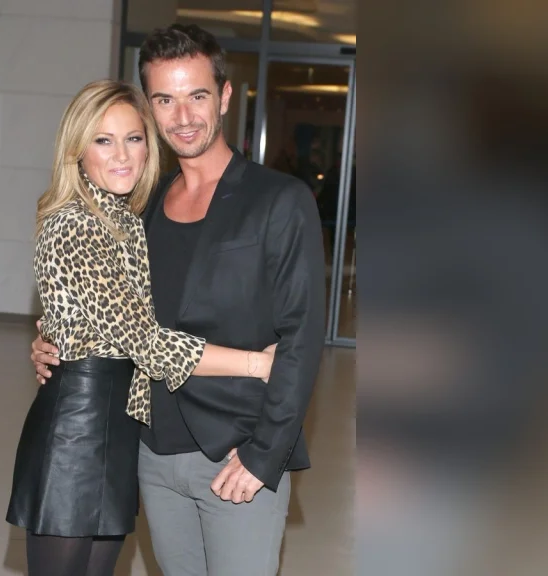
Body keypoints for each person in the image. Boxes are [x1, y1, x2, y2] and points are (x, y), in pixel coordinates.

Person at [30, 24, 327, 576]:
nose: (183, 116)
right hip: (151, 453)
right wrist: (55, 337)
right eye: (165, 99)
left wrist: (264, 456)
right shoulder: (139, 206)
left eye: (198, 95)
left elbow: (304, 336)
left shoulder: (279, 200)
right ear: (150, 108)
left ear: (225, 97)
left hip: (238, 452)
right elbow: (113, 310)